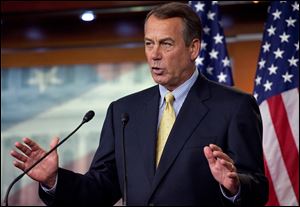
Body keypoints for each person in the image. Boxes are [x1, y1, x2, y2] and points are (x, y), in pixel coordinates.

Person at [10, 2, 268, 206]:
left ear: (193, 48)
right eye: (148, 43)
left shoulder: (234, 107)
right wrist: (54, 179)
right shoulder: (124, 111)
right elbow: (100, 189)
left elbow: (257, 188)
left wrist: (233, 186)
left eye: (166, 44)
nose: (154, 55)